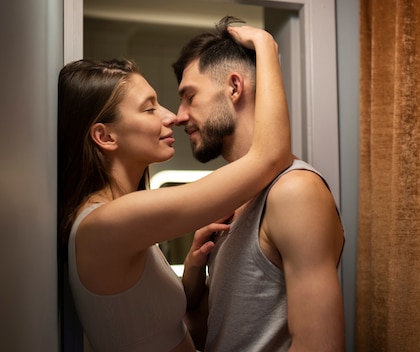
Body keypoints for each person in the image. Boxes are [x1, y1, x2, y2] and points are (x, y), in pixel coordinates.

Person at [57, 22, 291, 352]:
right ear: (105, 137)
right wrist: (265, 46)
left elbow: (148, 326)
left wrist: (192, 271)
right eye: (150, 108)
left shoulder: (115, 219)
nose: (171, 116)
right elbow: (270, 157)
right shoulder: (110, 221)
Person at [174, 16, 345, 351]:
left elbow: (318, 345)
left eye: (190, 96)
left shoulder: (294, 191)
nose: (179, 115)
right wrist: (193, 291)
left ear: (234, 88)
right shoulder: (231, 201)